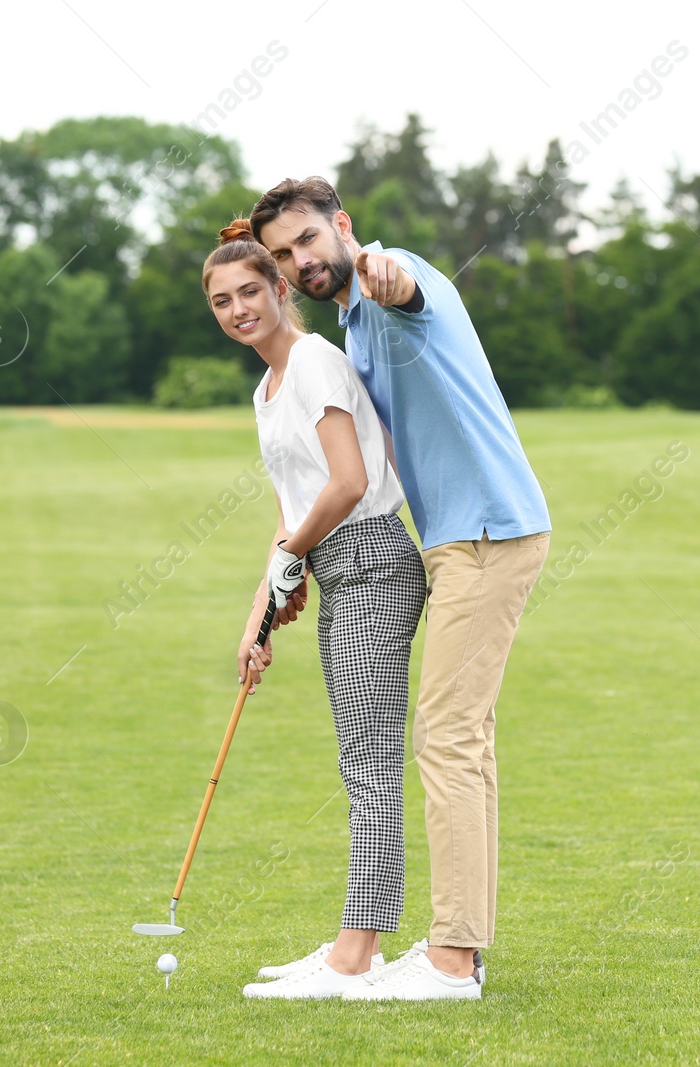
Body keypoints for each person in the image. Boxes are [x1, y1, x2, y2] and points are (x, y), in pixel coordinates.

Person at [252, 178, 551, 1001]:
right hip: (459, 537)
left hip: (488, 528)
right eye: (282, 254)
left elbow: (400, 281)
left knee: (446, 738)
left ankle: (453, 962)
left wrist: (384, 271)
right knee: (466, 742)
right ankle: (454, 946)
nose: (300, 261)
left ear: (342, 228)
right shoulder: (349, 327)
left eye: (310, 240)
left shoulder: (392, 282)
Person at [200, 219, 427, 1000]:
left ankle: (354, 956)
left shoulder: (315, 363)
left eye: (250, 292)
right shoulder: (266, 391)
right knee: (357, 761)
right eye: (222, 301)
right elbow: (290, 512)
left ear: (280, 290)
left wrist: (294, 557)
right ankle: (352, 948)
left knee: (368, 765)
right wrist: (259, 614)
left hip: (372, 560)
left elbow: (348, 482)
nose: (237, 310)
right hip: (336, 565)